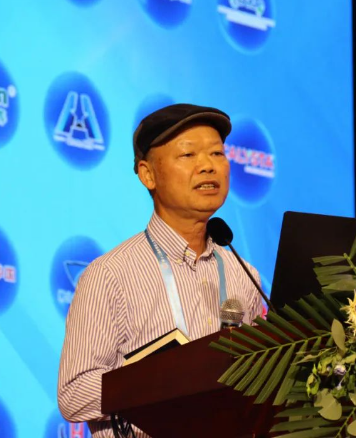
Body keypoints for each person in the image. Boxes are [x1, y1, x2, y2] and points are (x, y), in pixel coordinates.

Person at [58, 104, 263, 437]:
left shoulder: (243, 274)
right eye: (188, 155)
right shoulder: (110, 275)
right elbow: (73, 394)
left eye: (217, 153)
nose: (208, 166)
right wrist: (168, 380)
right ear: (147, 174)